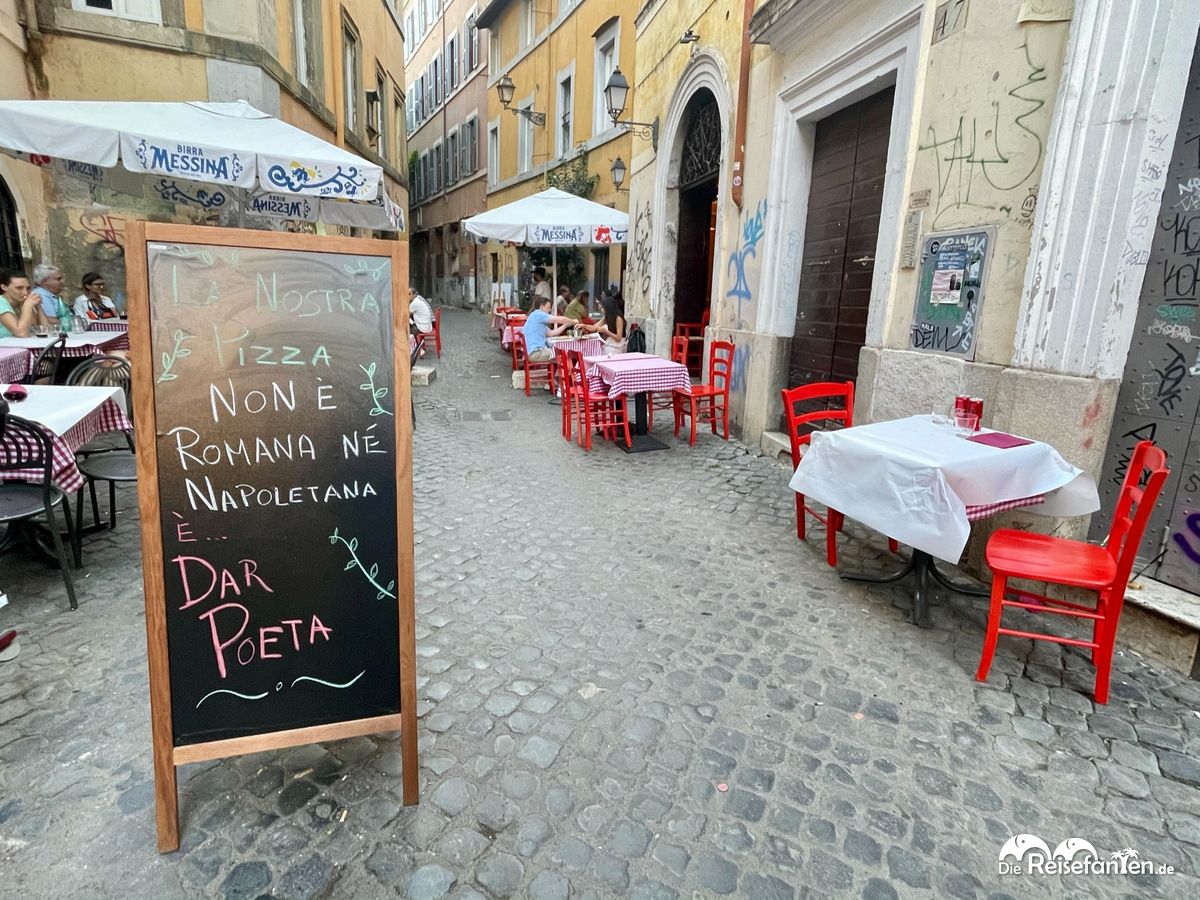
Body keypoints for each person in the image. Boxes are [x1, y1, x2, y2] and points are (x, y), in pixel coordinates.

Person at [521, 295, 576, 362]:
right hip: (536, 353)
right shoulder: (539, 314)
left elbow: (551, 333)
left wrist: (565, 325)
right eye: (548, 308)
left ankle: (560, 372)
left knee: (561, 354)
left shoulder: (535, 316)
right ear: (542, 307)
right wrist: (573, 321)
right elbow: (561, 319)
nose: (550, 310)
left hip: (532, 352)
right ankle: (568, 372)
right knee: (565, 354)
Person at [31, 263, 72, 327]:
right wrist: (74, 322)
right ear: (44, 281)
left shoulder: (49, 294)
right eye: (58, 279)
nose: (62, 281)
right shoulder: (41, 295)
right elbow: (51, 320)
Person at [0, 270, 38, 337]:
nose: (25, 292)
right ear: (4, 287)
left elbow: (38, 329)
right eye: (19, 288)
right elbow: (21, 333)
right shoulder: (1, 302)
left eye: (28, 288)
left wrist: (39, 307)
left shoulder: (21, 302)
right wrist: (28, 306)